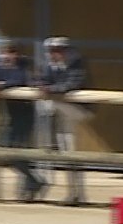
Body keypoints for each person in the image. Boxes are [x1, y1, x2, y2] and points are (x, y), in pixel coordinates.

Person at [0, 41, 47, 202]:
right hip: (10, 116)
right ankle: (34, 181)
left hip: (24, 115)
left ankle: (30, 185)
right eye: (5, 53)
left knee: (17, 150)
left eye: (11, 53)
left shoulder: (23, 68)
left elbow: (18, 81)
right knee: (8, 149)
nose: (8, 56)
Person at [35, 36, 91, 206]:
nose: (55, 54)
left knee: (71, 150)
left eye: (58, 51)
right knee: (68, 152)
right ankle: (74, 193)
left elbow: (72, 84)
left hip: (77, 110)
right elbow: (40, 80)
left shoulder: (76, 64)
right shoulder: (50, 66)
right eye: (52, 51)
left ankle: (78, 193)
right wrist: (44, 86)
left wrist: (50, 90)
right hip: (63, 113)